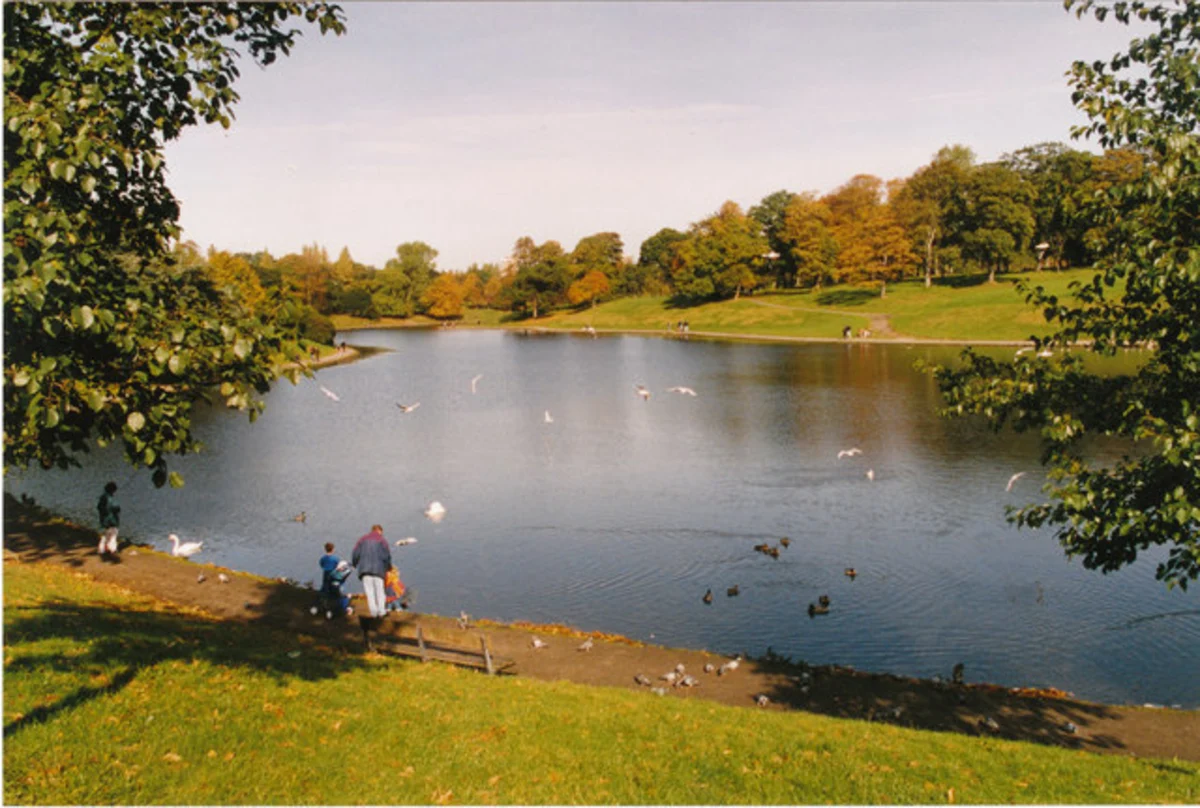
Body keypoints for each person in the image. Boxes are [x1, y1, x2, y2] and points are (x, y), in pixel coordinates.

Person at [351, 524, 392, 619]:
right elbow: (387, 556)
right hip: (379, 570)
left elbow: (355, 553)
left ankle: (374, 614)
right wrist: (388, 568)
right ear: (380, 531)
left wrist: (354, 564)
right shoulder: (382, 541)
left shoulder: (362, 539)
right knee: (380, 591)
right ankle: (381, 612)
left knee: (370, 593)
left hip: (365, 570)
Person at [311, 542, 353, 619]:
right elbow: (338, 567)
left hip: (326, 576)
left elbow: (321, 564)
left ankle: (320, 604)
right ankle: (344, 606)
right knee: (336, 590)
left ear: (325, 549)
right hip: (333, 577)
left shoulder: (323, 558)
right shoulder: (335, 559)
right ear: (333, 549)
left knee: (325, 589)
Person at [96, 481, 120, 555]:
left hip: (104, 520)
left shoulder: (102, 497)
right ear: (113, 490)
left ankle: (101, 549)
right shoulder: (110, 498)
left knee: (104, 535)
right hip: (112, 520)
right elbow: (115, 508)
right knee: (113, 534)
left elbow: (99, 507)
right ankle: (112, 549)